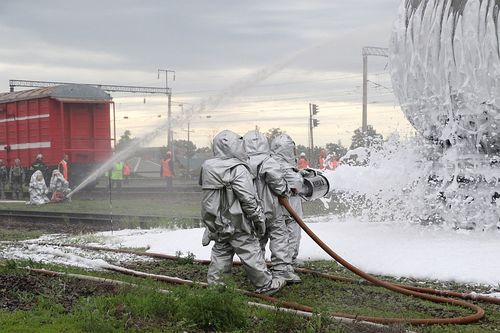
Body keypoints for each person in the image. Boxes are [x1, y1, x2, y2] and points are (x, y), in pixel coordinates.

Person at [200, 130, 286, 295]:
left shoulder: (208, 167)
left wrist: (210, 224)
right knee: (249, 249)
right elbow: (248, 199)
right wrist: (258, 219)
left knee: (221, 250)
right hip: (238, 220)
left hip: (216, 221)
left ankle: (217, 286)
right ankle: (265, 284)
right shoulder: (238, 169)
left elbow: (210, 198)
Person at [243, 130, 301, 284]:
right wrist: (287, 190)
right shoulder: (268, 162)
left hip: (252, 210)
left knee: (257, 240)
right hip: (271, 208)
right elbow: (277, 184)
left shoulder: (243, 162)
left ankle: (257, 271)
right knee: (279, 236)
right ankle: (281, 270)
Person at [271, 134, 305, 267]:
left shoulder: (271, 163)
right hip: (290, 205)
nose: (294, 153)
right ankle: (289, 260)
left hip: (277, 205)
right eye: (292, 150)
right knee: (292, 231)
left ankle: (281, 260)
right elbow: (297, 184)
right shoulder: (284, 166)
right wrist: (300, 177)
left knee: (279, 234)